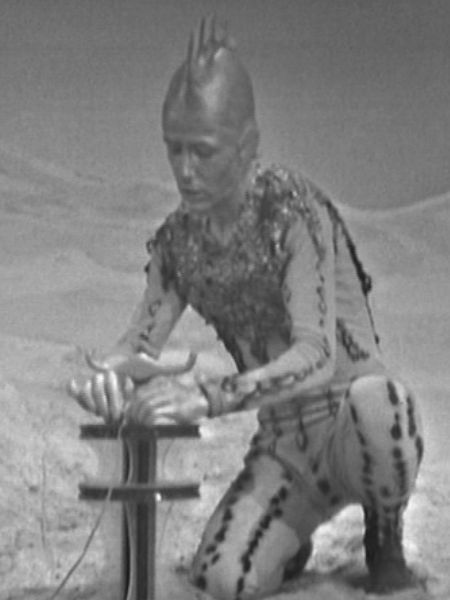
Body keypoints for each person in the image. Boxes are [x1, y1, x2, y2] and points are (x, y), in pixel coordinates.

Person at [68, 15, 425, 600]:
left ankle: (384, 534)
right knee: (223, 579)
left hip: (350, 425)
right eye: (174, 149)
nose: (185, 170)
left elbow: (317, 355)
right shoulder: (180, 242)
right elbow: (139, 343)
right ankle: (288, 540)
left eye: (202, 151)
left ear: (246, 146)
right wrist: (106, 376)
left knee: (383, 404)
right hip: (285, 450)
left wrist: (210, 397)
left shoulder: (292, 213)